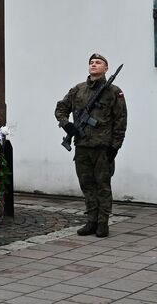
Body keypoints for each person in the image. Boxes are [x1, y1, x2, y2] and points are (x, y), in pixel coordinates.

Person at [55, 53, 127, 238]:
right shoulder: (78, 90)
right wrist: (67, 124)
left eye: (98, 62)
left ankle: (103, 223)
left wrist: (115, 146)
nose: (94, 65)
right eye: (91, 62)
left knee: (103, 186)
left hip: (103, 147)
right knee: (87, 185)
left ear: (106, 68)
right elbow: (61, 108)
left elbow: (120, 121)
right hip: (82, 146)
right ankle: (91, 220)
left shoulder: (114, 91)